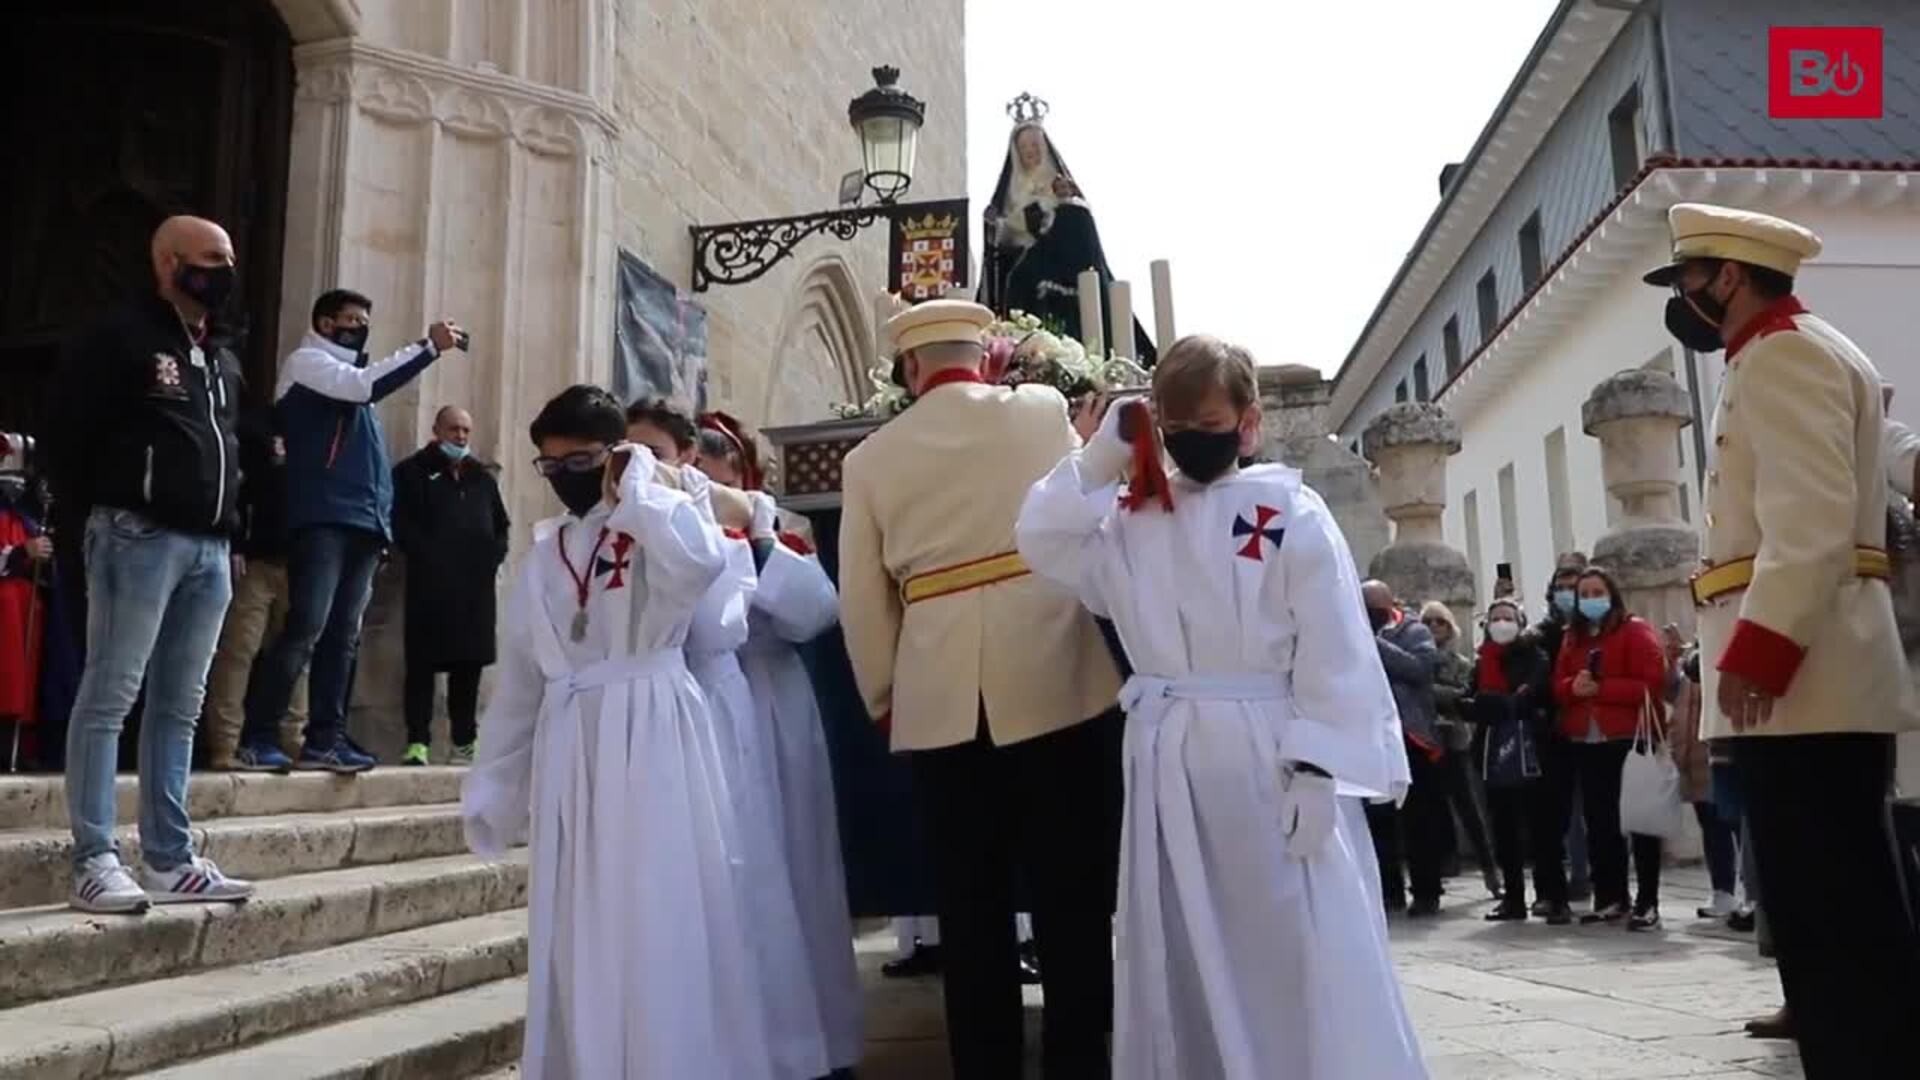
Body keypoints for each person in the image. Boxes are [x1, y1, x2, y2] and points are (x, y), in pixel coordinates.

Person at [1017, 334, 1424, 1079]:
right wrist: (1103, 456)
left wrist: (1317, 761)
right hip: (1169, 761)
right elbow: (1040, 538)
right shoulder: (1130, 522)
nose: (1195, 441)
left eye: (1209, 423)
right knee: (1184, 944)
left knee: (1288, 940)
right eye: (1176, 427)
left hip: (1267, 756)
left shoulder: (1287, 512)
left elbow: (1334, 643)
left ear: (1247, 418)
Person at [1643, 202, 1920, 1076]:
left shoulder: (1786, 356)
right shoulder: (1802, 351)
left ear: (1727, 275)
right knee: (1835, 900)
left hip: (1804, 675)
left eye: (1689, 279)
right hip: (1818, 669)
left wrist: (1760, 651)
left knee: (1828, 906)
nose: (1683, 297)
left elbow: (1809, 525)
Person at [839, 298, 1122, 1079]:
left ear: (908, 370)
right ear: (987, 354)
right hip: (1055, 676)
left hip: (938, 695)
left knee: (970, 905)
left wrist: (884, 694)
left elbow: (863, 599)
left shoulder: (868, 459)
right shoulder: (1038, 411)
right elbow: (1083, 514)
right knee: (1071, 891)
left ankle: (985, 1064)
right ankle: (1076, 1060)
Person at [461, 384, 773, 1078]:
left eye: (579, 461)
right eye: (550, 466)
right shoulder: (546, 553)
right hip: (575, 743)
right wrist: (494, 788)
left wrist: (643, 487)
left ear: (616, 456)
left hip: (656, 726)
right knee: (583, 927)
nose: (564, 478)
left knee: (660, 910)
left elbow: (700, 565)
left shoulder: (658, 521)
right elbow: (518, 684)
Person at [44, 214, 252, 912]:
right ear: (168, 262)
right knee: (111, 694)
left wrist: (234, 528)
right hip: (136, 535)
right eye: (211, 258)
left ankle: (169, 856)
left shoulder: (220, 355)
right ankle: (94, 857)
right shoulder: (119, 337)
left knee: (180, 705)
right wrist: (93, 517)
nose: (225, 270)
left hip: (210, 547)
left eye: (228, 258)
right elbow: (68, 435)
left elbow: (225, 446)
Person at [236, 289, 463, 773]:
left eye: (363, 319)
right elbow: (364, 385)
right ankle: (258, 734)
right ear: (323, 322)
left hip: (361, 522)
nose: (358, 326)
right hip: (322, 518)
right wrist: (427, 347)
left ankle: (326, 738)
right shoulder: (309, 364)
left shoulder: (349, 385)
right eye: (349, 319)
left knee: (343, 636)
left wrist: (382, 523)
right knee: (305, 628)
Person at [735, 487, 865, 1076]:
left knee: (796, 878)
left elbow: (814, 612)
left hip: (771, 712)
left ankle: (818, 1047)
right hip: (694, 715)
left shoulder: (778, 541)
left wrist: (760, 547)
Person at [390, 406, 509, 766]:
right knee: (422, 665)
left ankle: (464, 741)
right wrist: (429, 556)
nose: (460, 437)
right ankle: (417, 742)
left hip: (474, 588)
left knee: (468, 666)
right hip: (431, 586)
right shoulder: (412, 472)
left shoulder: (481, 478)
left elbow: (500, 524)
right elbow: (401, 523)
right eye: (454, 429)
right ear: (437, 429)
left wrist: (492, 556)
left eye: (466, 431)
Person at [1550, 566, 1668, 930]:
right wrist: (1574, 688)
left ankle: (1648, 901)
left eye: (1596, 592)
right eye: (1583, 594)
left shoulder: (1634, 631)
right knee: (1600, 822)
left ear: (1611, 594)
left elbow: (1652, 683)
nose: (1589, 600)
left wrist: (1604, 688)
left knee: (1640, 820)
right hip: (1587, 739)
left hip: (1628, 738)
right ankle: (1611, 896)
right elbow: (1558, 684)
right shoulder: (1573, 637)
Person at [979, 117, 1153, 361]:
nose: (1030, 152)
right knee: (1019, 279)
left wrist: (1060, 211)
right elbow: (1001, 237)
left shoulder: (1062, 188)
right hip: (1025, 272)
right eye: (1024, 147)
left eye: (1035, 145)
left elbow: (1079, 230)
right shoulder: (1010, 193)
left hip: (1063, 273)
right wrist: (998, 227)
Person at [205, 409, 307, 769]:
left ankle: (293, 741)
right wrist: (234, 542)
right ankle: (225, 746)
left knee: (296, 655)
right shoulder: (258, 428)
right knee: (238, 651)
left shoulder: (323, 430)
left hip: (301, 563)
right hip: (257, 560)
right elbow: (234, 484)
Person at [1470, 599, 1570, 924]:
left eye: (1508, 617)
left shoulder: (1535, 656)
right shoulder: (1482, 661)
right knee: (1504, 832)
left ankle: (1554, 898)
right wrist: (1490, 703)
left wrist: (1495, 703)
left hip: (1534, 752)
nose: (1501, 623)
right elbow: (1469, 701)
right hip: (1493, 755)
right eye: (1495, 618)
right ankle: (1512, 899)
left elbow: (1529, 697)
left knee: (1543, 831)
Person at [1362, 579, 1448, 917]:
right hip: (1370, 736)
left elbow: (1419, 670)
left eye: (1374, 610)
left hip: (1412, 737)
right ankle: (1388, 891)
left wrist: (1371, 644)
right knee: (1378, 819)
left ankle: (1427, 891)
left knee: (1420, 821)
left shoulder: (1414, 632)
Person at [1421, 600, 1501, 899]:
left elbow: (1463, 696)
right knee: (1431, 811)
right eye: (1427, 622)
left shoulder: (1461, 663)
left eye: (1439, 622)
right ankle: (1440, 868)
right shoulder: (1420, 660)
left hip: (1455, 741)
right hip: (1426, 741)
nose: (1433, 628)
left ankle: (1490, 869)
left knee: (1469, 809)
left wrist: (1431, 692)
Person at [1528, 556, 1591, 908]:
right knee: (1555, 813)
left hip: (1592, 727)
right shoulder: (1544, 634)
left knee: (1594, 811)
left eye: (1573, 588)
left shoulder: (1598, 630)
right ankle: (1556, 886)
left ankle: (1587, 877)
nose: (1567, 595)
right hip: (1552, 730)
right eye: (1561, 588)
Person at [1668, 642, 1746, 920]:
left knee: (1736, 821)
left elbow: (1699, 668)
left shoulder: (1716, 642)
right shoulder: (1695, 648)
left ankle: (1750, 892)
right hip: (1697, 754)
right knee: (1712, 824)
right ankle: (1722, 890)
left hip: (1724, 747)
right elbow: (1675, 688)